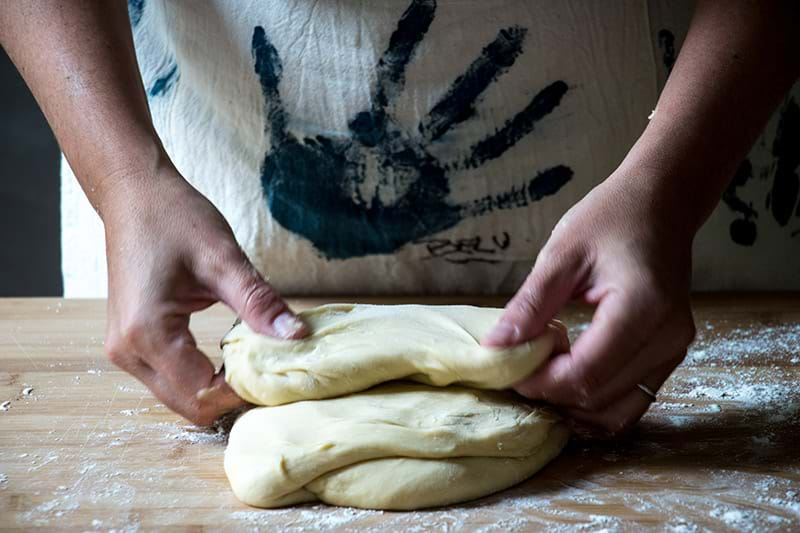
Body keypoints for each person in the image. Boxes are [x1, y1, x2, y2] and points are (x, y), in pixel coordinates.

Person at [1, 1, 797, 429]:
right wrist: (124, 179)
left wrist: (670, 188)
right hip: (181, 168)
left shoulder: (674, 181)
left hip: (669, 154)